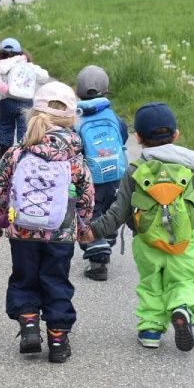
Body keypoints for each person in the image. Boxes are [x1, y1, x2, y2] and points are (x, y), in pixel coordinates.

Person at [80, 102, 194, 351]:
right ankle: (182, 307)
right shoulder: (189, 166)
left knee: (151, 284)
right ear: (176, 134)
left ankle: (151, 331)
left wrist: (93, 231)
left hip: (146, 240)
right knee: (185, 280)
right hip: (182, 241)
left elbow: (119, 211)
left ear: (138, 138)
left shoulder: (135, 170)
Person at [0, 82, 95, 364]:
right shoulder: (74, 158)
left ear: (32, 114)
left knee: (24, 278)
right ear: (71, 120)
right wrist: (83, 226)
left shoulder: (17, 153)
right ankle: (58, 340)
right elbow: (86, 196)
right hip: (61, 233)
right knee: (56, 282)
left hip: (21, 231)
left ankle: (30, 325)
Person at [73, 65, 128, 281]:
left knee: (89, 213)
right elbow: (122, 137)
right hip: (115, 175)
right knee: (110, 210)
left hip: (89, 178)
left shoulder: (76, 118)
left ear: (77, 92)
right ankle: (106, 240)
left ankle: (98, 256)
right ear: (106, 91)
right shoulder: (113, 116)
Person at [0, 37, 51, 158]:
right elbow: (44, 77)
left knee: (5, 124)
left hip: (7, 102)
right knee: (25, 126)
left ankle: (5, 147)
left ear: (0, 53)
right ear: (21, 53)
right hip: (26, 102)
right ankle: (24, 148)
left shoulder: (0, 66)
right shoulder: (29, 66)